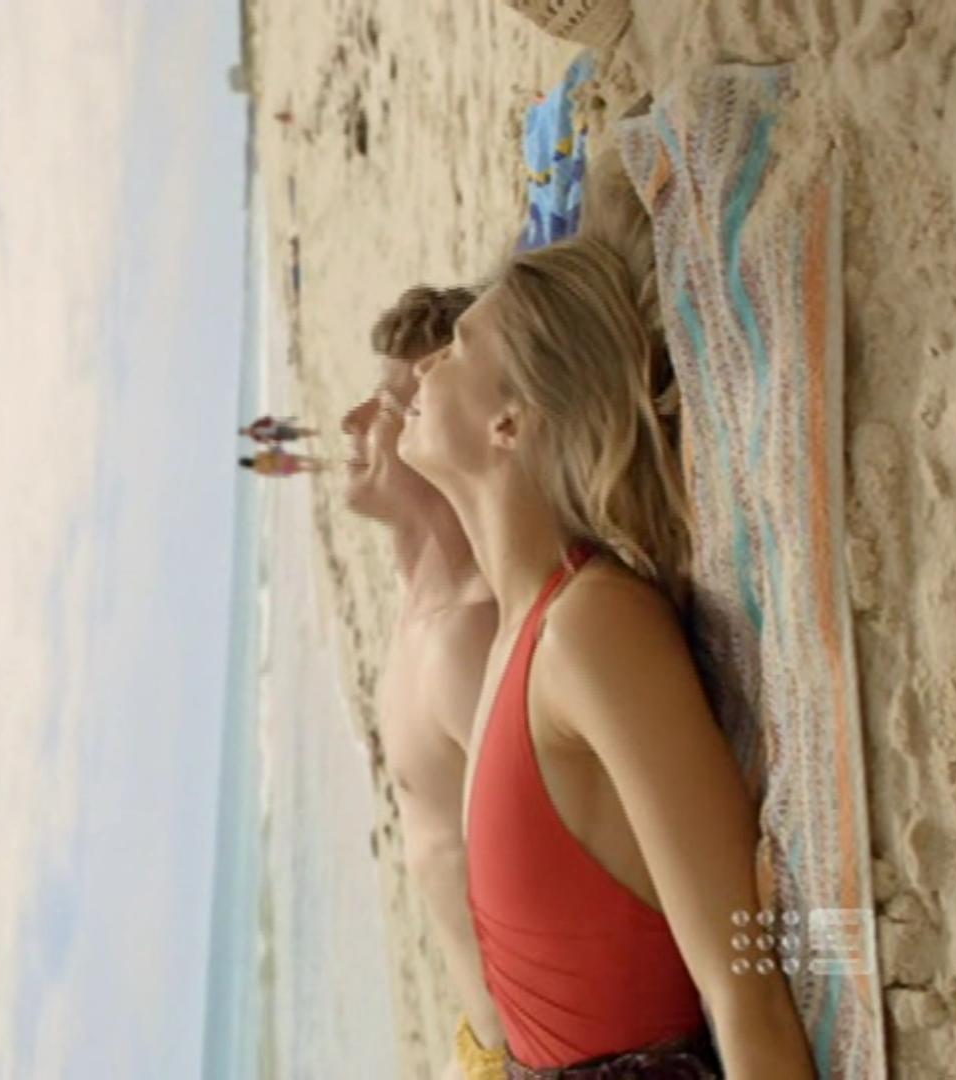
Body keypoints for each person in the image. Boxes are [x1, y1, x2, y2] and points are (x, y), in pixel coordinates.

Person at [395, 156, 815, 1078]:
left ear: (510, 422)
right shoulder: (519, 637)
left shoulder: (590, 628)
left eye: (455, 347)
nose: (424, 363)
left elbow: (743, 983)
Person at [342, 285, 512, 1080]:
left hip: (523, 1052)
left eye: (384, 403)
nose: (351, 420)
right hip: (479, 1040)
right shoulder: (416, 618)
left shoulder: (466, 637)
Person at [239, 447, 324, 476]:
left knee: (301, 469)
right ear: (248, 458)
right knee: (299, 458)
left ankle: (317, 468)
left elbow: (270, 472)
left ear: (247, 466)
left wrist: (280, 472)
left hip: (281, 468)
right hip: (281, 459)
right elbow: (271, 453)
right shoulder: (258, 455)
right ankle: (315, 460)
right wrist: (278, 450)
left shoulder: (258, 470)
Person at [242, 415, 319, 444]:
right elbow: (266, 442)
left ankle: (313, 432)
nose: (248, 431)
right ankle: (312, 434)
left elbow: (266, 419)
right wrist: (265, 439)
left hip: (277, 427)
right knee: (295, 435)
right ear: (246, 434)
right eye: (246, 433)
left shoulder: (255, 424)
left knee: (295, 430)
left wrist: (273, 421)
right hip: (277, 436)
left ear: (247, 428)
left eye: (246, 430)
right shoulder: (255, 438)